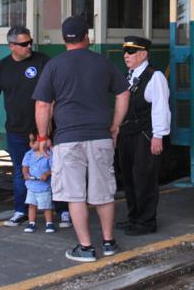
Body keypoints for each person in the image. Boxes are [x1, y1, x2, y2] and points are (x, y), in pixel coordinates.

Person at [33, 15, 130, 262]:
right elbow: (123, 93)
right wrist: (115, 125)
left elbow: (43, 105)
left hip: (67, 139)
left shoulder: (54, 65)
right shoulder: (102, 63)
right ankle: (108, 243)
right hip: (100, 136)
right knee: (103, 192)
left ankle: (86, 248)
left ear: (64, 39)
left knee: (75, 194)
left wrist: (43, 136)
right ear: (86, 37)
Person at [0, 26, 72, 228]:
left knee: (55, 168)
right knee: (20, 170)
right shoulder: (2, 67)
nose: (28, 46)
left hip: (46, 129)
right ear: (11, 46)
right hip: (16, 129)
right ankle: (21, 210)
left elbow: (56, 94)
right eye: (23, 44)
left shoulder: (43, 61)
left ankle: (63, 210)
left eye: (29, 42)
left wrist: (51, 124)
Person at [117, 36, 170, 236]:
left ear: (143, 54)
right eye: (125, 52)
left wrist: (158, 136)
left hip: (144, 136)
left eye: (130, 52)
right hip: (127, 135)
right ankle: (134, 218)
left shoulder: (154, 76)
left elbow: (161, 108)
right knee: (129, 178)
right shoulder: (129, 75)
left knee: (144, 179)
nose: (126, 56)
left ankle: (147, 222)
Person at [21, 132, 55, 233]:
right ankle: (31, 222)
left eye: (34, 141)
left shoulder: (49, 154)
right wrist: (25, 173)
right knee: (31, 205)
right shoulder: (28, 154)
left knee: (46, 206)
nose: (31, 143)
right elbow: (25, 166)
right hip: (31, 186)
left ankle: (49, 223)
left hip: (43, 186)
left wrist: (46, 174)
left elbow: (54, 168)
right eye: (30, 141)